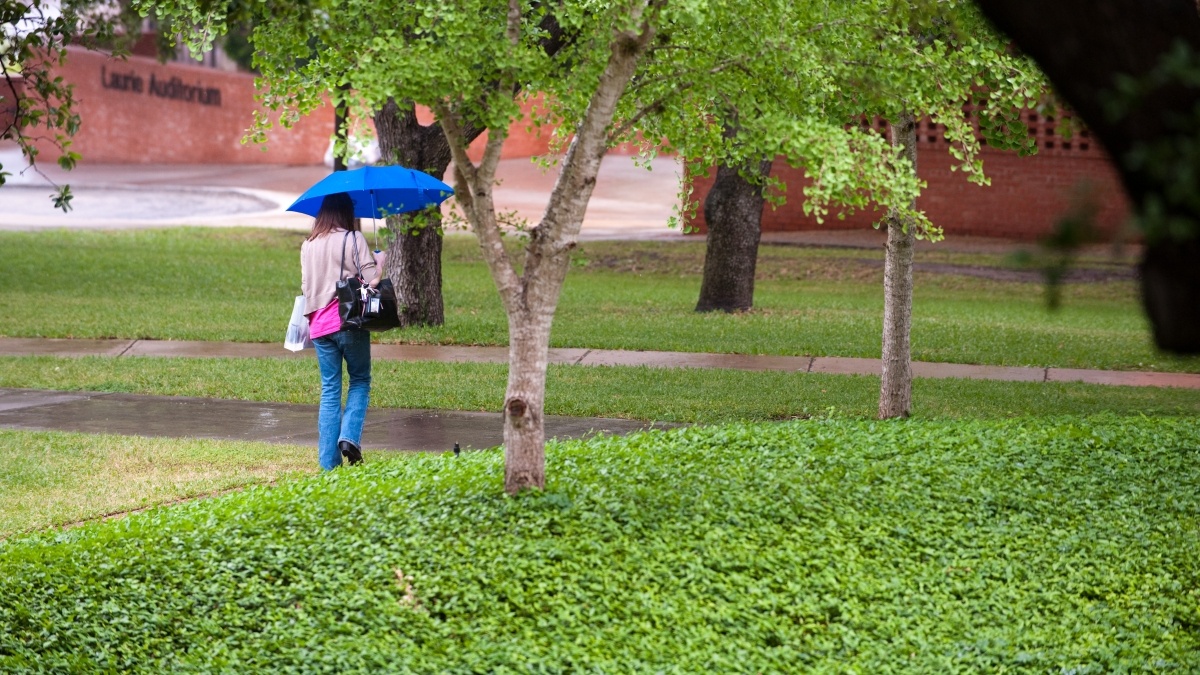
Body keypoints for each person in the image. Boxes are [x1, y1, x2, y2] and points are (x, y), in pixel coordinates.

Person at [300, 192, 383, 470]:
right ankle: (348, 438)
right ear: (347, 212)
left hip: (319, 327)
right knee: (360, 380)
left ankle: (328, 466)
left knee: (330, 389)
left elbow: (305, 287)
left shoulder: (308, 244)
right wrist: (379, 263)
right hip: (348, 321)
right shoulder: (353, 238)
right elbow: (372, 280)